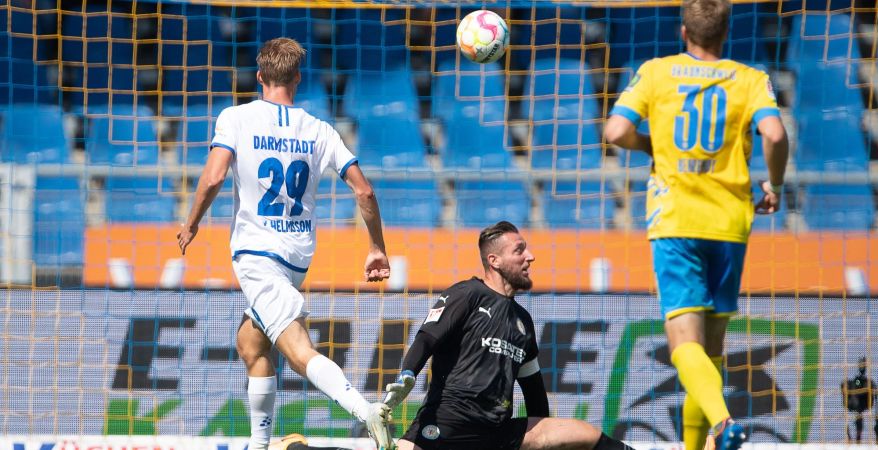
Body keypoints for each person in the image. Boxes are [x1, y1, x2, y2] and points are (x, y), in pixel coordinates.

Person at [177, 37, 395, 450]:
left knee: (295, 349)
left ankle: (365, 412)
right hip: (297, 255)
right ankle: (259, 445)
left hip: (257, 253)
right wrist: (376, 246)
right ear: (297, 77)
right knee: (250, 342)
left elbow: (214, 177)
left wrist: (192, 223)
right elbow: (364, 192)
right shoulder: (320, 130)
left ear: (259, 76)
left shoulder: (235, 118)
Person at [603, 0, 789, 448]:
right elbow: (776, 134)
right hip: (730, 223)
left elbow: (614, 132)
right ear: (726, 35)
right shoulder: (750, 79)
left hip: (676, 223)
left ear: (682, 32)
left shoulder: (656, 71)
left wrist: (653, 146)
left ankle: (724, 424)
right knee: (711, 351)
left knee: (684, 345)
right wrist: (775, 186)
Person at [380, 221, 636, 450]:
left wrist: (543, 439)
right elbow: (427, 338)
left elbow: (534, 391)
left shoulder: (523, 321)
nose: (531, 257)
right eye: (519, 250)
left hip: (497, 434)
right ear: (495, 260)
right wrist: (408, 373)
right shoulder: (467, 294)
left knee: (585, 434)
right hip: (447, 425)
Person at [841, 357, 878, 444]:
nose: (862, 367)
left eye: (864, 365)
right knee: (858, 416)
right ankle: (853, 437)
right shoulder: (852, 383)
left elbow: (874, 396)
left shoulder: (869, 382)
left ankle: (860, 437)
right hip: (855, 404)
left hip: (864, 403)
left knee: (860, 416)